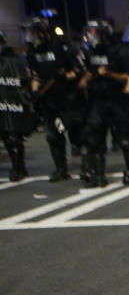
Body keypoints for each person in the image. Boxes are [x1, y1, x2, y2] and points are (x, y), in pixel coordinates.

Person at [77, 19, 129, 187]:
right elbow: (90, 72)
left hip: (118, 100)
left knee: (124, 139)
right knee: (95, 139)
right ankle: (98, 174)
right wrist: (87, 78)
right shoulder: (90, 52)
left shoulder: (120, 51)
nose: (91, 37)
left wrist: (109, 74)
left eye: (94, 33)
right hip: (98, 99)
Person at [22, 17, 85, 182]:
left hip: (68, 98)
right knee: (53, 136)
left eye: (33, 32)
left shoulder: (61, 47)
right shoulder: (32, 52)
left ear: (42, 32)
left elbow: (79, 70)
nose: (30, 36)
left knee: (76, 134)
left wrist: (65, 77)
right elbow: (35, 75)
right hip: (49, 100)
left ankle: (88, 166)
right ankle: (61, 169)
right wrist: (35, 93)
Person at [0, 30, 34, 182]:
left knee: (13, 136)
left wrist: (27, 100)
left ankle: (18, 167)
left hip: (13, 102)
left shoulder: (14, 59)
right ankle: (18, 165)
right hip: (5, 102)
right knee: (7, 136)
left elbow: (23, 81)